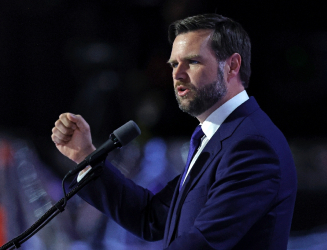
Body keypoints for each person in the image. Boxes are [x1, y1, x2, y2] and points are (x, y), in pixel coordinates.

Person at [51, 14, 297, 250]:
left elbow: (204, 243)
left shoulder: (252, 144)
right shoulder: (218, 138)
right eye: (174, 64)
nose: (177, 75)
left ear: (231, 65)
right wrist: (84, 154)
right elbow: (151, 217)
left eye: (193, 61)